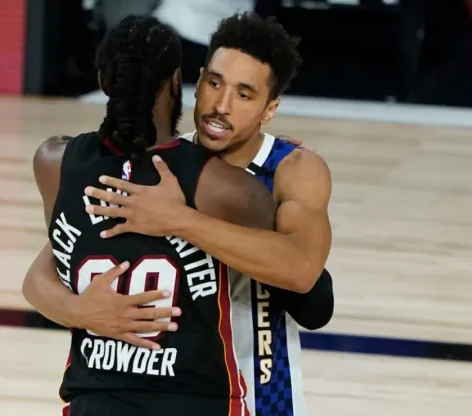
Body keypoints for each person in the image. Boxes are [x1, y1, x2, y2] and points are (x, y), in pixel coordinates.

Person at [31, 16, 284, 415]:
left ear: (102, 82)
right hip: (194, 400)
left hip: (95, 399)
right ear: (176, 82)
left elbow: (56, 259)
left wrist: (75, 309)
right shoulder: (226, 188)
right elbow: (301, 279)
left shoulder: (55, 162)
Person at [85, 13, 333, 416]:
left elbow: (303, 274)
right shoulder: (158, 161)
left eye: (244, 94)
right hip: (171, 392)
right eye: (214, 83)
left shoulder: (292, 168)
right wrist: (75, 309)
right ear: (197, 80)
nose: (221, 105)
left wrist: (179, 219)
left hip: (263, 392)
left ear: (269, 110)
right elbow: (42, 272)